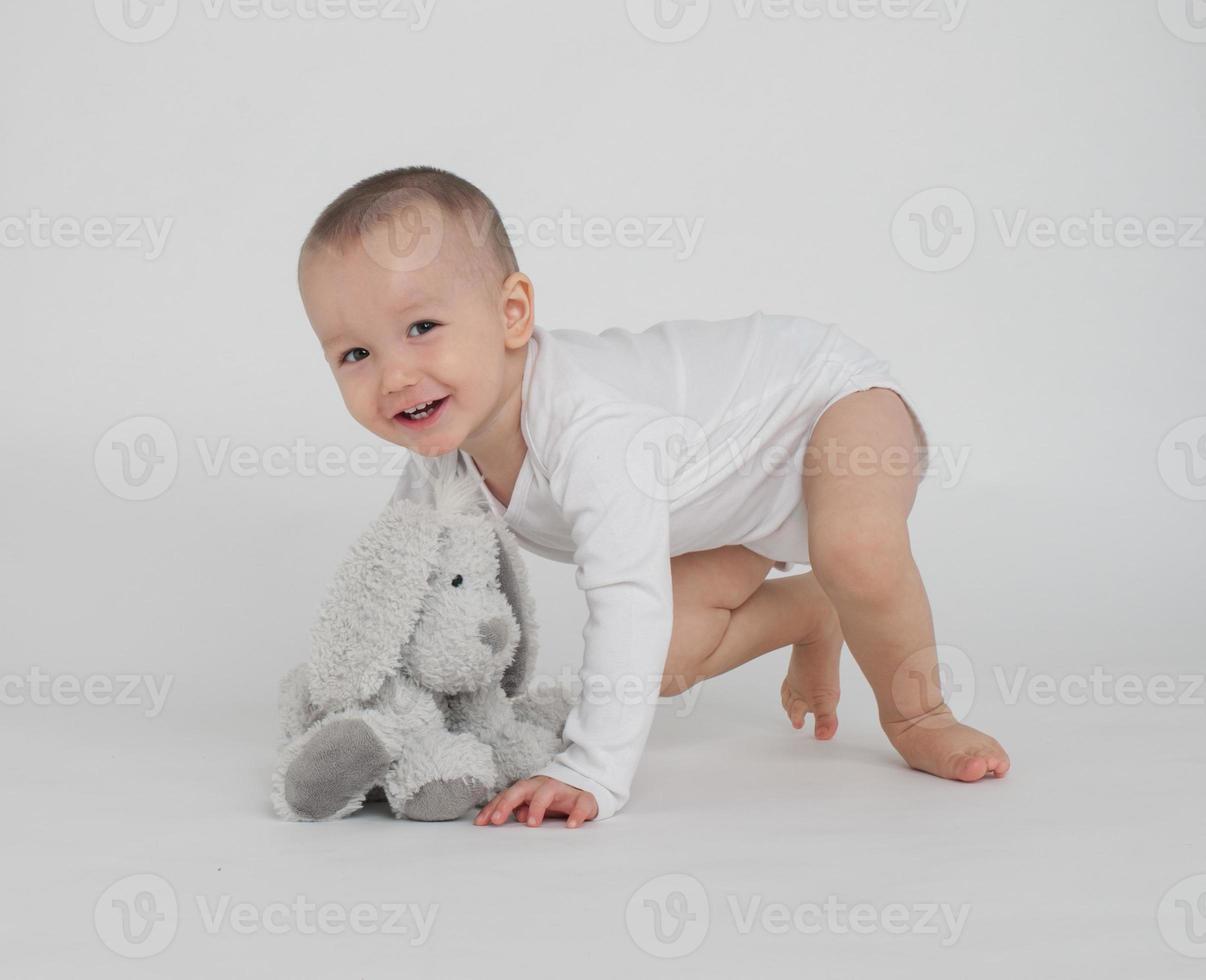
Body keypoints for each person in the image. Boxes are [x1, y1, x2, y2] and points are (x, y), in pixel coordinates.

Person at [295, 164, 1010, 828]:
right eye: (356, 354)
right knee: (662, 665)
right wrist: (364, 703)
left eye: (422, 328)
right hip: (732, 503)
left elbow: (626, 593)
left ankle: (921, 717)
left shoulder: (591, 430)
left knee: (857, 552)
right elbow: (399, 578)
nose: (393, 377)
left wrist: (590, 769)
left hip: (825, 407)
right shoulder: (442, 460)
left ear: (513, 314)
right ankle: (814, 612)